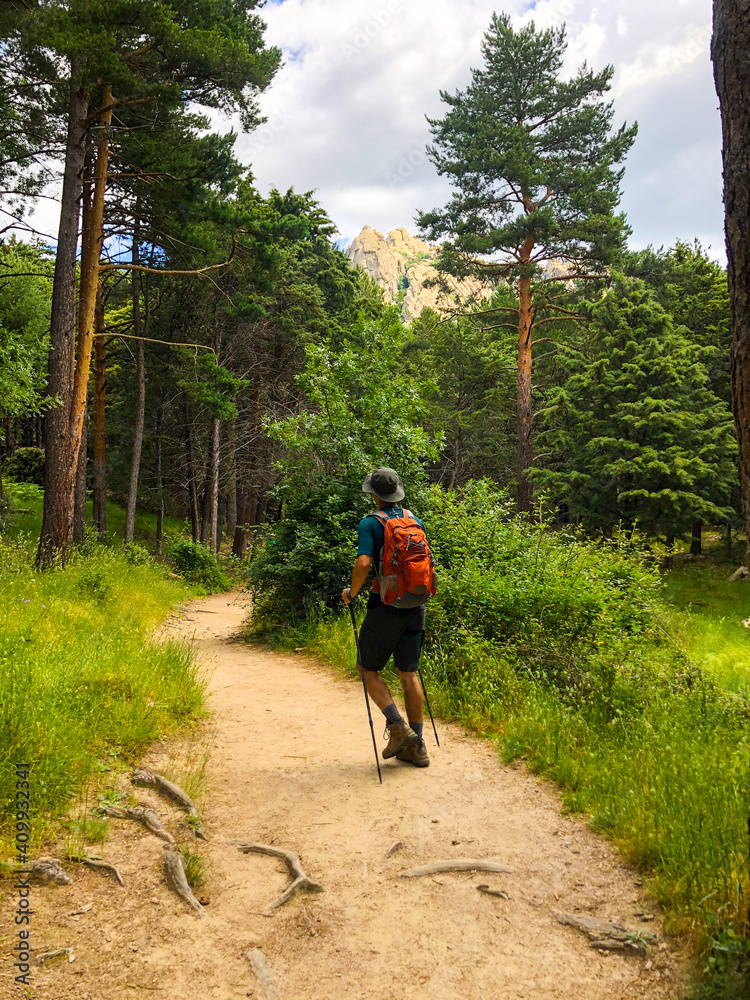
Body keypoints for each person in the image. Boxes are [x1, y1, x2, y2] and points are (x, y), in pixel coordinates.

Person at [341, 467, 431, 768]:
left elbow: (364, 561)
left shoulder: (370, 523)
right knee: (409, 674)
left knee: (367, 668)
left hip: (385, 606)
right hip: (416, 605)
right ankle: (417, 746)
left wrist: (352, 593)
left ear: (374, 495)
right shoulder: (413, 519)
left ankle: (398, 728)